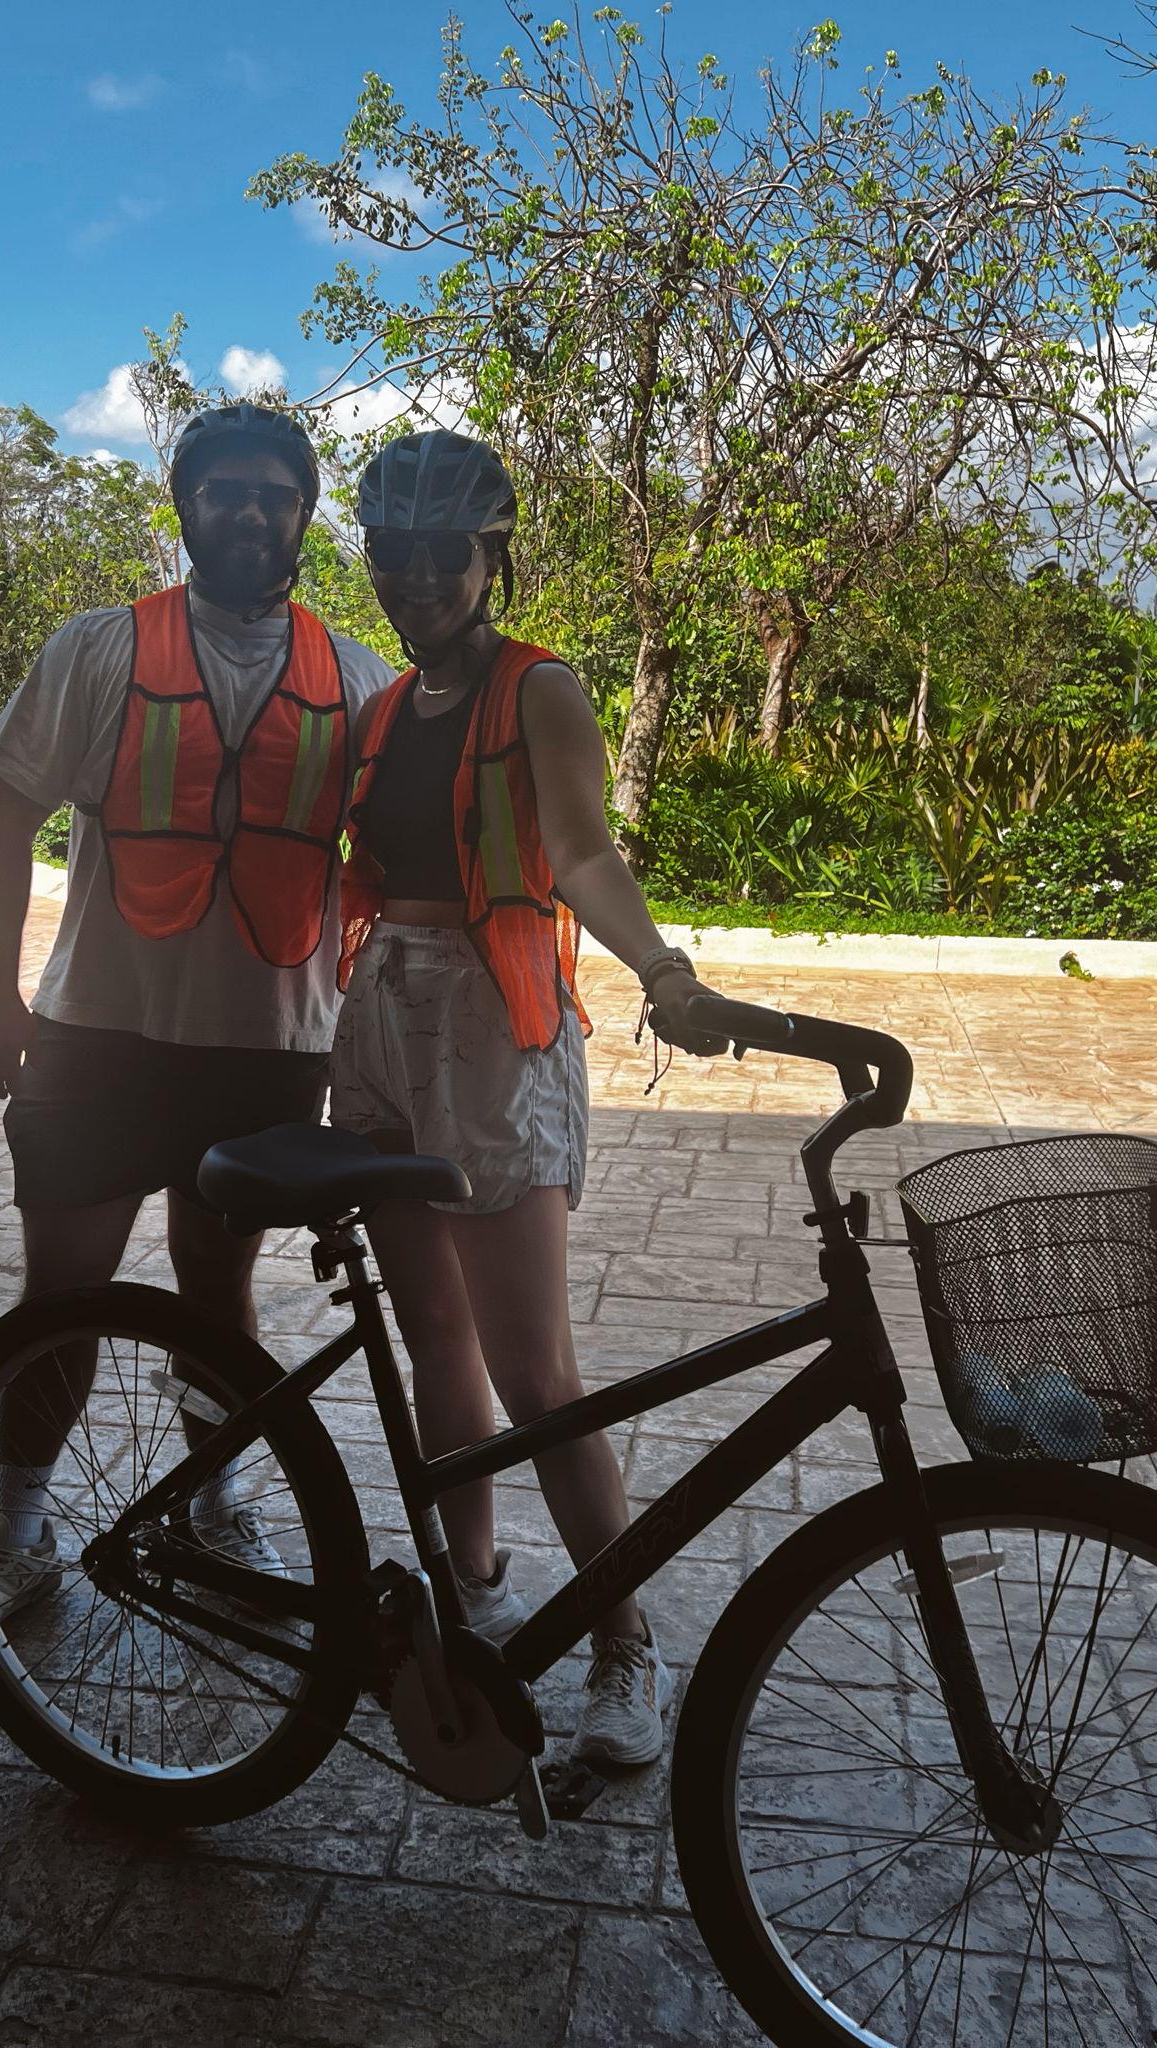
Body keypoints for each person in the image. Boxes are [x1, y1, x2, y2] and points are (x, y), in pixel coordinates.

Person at [0, 403, 394, 1660]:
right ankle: (12, 1538)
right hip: (96, 1036)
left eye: (271, 493)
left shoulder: (354, 680)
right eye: (222, 489)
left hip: (267, 1045)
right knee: (61, 1299)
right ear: (183, 506)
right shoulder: (97, 650)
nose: (247, 511)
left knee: (218, 1296)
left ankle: (212, 1506)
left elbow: (399, 872)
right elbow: (1, 819)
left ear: (303, 513)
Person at [333, 429, 720, 1770]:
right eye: (393, 554)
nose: (417, 579)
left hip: (497, 1037)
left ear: (495, 558)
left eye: (446, 554)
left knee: (537, 1373)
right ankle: (474, 1578)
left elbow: (580, 851)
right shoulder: (384, 710)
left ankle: (625, 1648)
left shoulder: (540, 689)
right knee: (434, 1329)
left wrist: (663, 968)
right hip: (382, 1024)